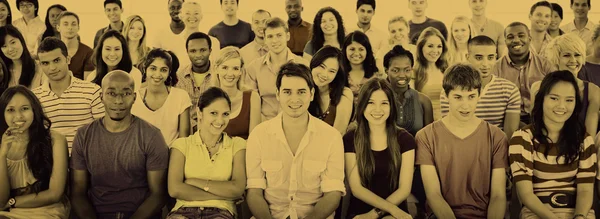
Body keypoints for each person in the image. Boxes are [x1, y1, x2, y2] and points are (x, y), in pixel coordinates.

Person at [246, 62, 345, 219]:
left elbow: (333, 194)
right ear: (278, 94)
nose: (294, 99)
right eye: (287, 92)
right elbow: (254, 192)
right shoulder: (259, 135)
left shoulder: (331, 137)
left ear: (311, 94)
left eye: (301, 92)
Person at [70, 70, 169, 219]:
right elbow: (78, 192)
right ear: (101, 97)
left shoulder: (152, 136)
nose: (118, 101)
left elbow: (158, 195)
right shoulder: (84, 135)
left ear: (134, 97)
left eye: (126, 93)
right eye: (111, 93)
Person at [416, 64, 507, 219]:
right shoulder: (426, 136)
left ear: (480, 94)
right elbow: (434, 195)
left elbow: (498, 195)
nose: (465, 105)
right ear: (445, 95)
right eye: (457, 97)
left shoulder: (497, 136)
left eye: (471, 96)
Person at [509, 70, 596, 218]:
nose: (562, 106)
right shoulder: (522, 139)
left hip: (578, 212)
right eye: (554, 98)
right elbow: (526, 195)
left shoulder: (584, 140)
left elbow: (586, 190)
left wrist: (579, 216)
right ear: (542, 99)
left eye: (569, 100)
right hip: (537, 212)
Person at [167, 87, 246, 219]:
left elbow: (237, 188)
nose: (220, 121)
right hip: (183, 211)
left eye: (225, 114)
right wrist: (222, 194)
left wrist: (195, 182)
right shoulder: (181, 145)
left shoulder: (237, 145)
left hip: (222, 212)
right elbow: (175, 189)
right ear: (200, 112)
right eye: (214, 113)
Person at [343, 78, 415, 219]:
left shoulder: (405, 139)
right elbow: (356, 189)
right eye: (370, 103)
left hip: (395, 213)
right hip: (361, 214)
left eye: (384, 103)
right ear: (362, 105)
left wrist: (375, 214)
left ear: (391, 106)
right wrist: (369, 215)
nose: (377, 110)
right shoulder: (350, 138)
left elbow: (404, 189)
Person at [0, 86, 68, 218]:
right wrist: (2, 155)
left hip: (45, 210)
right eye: (10, 110)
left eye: (25, 109)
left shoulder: (55, 140)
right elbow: (0, 200)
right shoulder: (2, 145)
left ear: (34, 110)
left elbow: (55, 193)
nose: (18, 116)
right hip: (6, 212)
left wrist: (12, 202)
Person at [32, 37, 104, 154]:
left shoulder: (92, 91)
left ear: (68, 59)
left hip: (87, 160)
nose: (52, 68)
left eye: (56, 60)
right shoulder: (34, 97)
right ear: (40, 65)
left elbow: (103, 133)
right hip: (50, 162)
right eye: (45, 63)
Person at [441, 35, 521, 139]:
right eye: (479, 58)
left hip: (498, 149)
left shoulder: (510, 90)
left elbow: (509, 137)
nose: (485, 64)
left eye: (490, 57)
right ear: (468, 57)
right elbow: (451, 130)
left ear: (496, 57)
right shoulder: (450, 90)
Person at [533, 33, 600, 136]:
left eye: (577, 55)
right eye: (566, 55)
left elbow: (589, 135)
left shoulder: (593, 90)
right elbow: (535, 125)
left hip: (581, 147)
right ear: (556, 58)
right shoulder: (537, 87)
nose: (573, 60)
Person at [245, 17, 308, 121]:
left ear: (287, 36)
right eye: (270, 36)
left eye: (279, 35)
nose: (275, 40)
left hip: (295, 122)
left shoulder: (303, 65)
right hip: (264, 124)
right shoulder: (254, 68)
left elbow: (306, 100)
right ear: (264, 39)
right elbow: (252, 105)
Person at [492, 22, 555, 125]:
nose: (516, 40)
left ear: (530, 39)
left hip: (542, 120)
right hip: (507, 121)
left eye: (521, 35)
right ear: (505, 41)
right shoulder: (495, 68)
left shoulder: (545, 65)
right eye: (510, 37)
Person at [131, 48, 191, 146]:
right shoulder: (134, 97)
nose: (157, 74)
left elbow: (183, 140)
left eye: (163, 70)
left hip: (173, 157)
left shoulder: (181, 96)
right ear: (145, 69)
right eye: (153, 68)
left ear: (169, 72)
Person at [209, 46, 260, 139]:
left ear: (241, 71)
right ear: (216, 69)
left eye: (235, 68)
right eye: (225, 67)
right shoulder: (207, 99)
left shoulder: (253, 97)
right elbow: (204, 139)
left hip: (245, 151)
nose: (230, 73)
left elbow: (254, 140)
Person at [153, 0, 221, 67]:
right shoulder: (172, 42)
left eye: (196, 13)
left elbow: (217, 68)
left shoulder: (213, 42)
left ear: (201, 16)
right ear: (181, 16)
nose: (192, 16)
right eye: (187, 13)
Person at [385, 45, 433, 136]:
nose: (402, 75)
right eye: (395, 70)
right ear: (386, 71)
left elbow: (429, 139)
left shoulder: (424, 101)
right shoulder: (377, 99)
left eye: (407, 70)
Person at [307, 46, 353, 134]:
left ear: (337, 75)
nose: (324, 74)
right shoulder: (303, 88)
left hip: (333, 145)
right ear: (314, 63)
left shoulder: (344, 93)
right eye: (322, 66)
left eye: (331, 71)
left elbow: (339, 132)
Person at [176, 32, 215, 133]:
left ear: (210, 51)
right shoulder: (179, 77)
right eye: (193, 51)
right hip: (186, 132)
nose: (198, 55)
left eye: (203, 50)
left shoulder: (219, 74)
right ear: (187, 52)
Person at [413, 27, 449, 121]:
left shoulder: (447, 70)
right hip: (425, 123)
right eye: (430, 46)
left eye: (439, 46)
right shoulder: (414, 72)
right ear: (421, 47)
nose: (435, 51)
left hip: (447, 121)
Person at [342, 31, 384, 105]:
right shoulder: (339, 73)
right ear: (345, 50)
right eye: (352, 49)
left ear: (367, 51)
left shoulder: (376, 74)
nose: (356, 53)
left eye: (361, 49)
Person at [56, 11, 94, 80]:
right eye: (65, 24)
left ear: (78, 27)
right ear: (58, 28)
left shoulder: (88, 52)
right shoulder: (51, 50)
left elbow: (88, 83)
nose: (70, 27)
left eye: (73, 24)